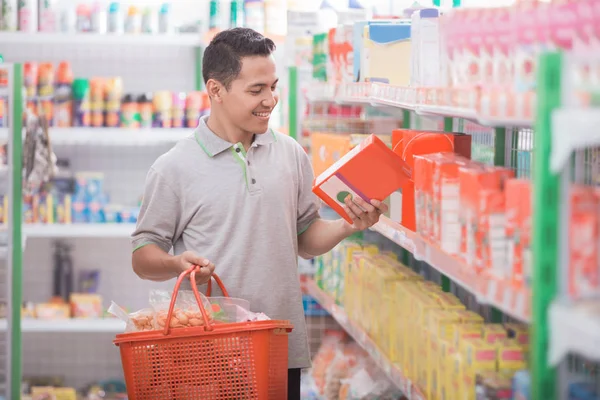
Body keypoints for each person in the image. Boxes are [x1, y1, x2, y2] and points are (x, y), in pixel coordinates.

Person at [131, 27, 388, 400]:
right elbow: (142, 257)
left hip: (279, 347)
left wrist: (348, 224)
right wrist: (175, 264)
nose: (270, 100)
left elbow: (305, 237)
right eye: (256, 90)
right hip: (207, 354)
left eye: (273, 86)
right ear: (216, 90)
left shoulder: (290, 155)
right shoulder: (174, 168)